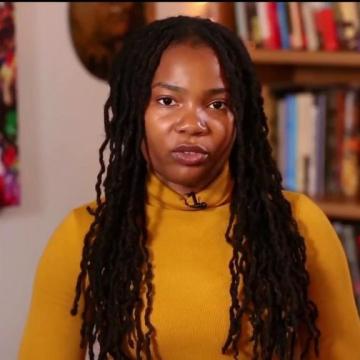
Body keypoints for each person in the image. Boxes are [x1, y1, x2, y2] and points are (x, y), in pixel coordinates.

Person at [19, 15, 360, 360]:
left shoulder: (298, 223)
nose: (192, 125)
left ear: (240, 118)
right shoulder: (86, 235)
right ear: (134, 110)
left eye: (217, 104)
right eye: (167, 101)